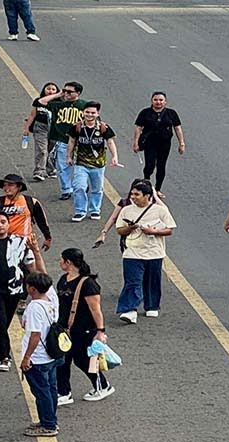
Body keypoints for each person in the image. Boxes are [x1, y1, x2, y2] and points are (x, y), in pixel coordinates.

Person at [0, 209, 45, 371]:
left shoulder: (20, 242)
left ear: (8, 224)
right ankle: (4, 357)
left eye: (3, 222)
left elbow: (30, 265)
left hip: (14, 290)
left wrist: (38, 286)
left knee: (4, 322)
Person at [54, 247, 112, 404]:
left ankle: (103, 386)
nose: (59, 262)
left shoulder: (87, 284)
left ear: (69, 262)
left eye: (62, 259)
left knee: (83, 360)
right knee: (63, 360)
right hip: (66, 329)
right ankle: (64, 392)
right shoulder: (63, 279)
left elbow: (96, 309)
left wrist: (100, 331)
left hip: (84, 329)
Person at [112, 179, 174, 325]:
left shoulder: (160, 211)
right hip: (132, 252)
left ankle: (151, 305)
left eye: (137, 194)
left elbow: (169, 229)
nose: (133, 197)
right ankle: (129, 309)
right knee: (132, 281)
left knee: (152, 280)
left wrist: (153, 231)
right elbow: (119, 229)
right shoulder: (126, 210)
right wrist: (130, 228)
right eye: (132, 194)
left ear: (147, 196)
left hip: (154, 252)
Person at [20, 271, 60, 437]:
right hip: (51, 355)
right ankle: (49, 419)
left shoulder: (34, 307)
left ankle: (48, 425)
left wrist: (27, 357)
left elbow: (35, 335)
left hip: (38, 358)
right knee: (51, 389)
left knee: (41, 392)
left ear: (32, 289)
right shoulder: (51, 301)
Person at [66, 101, 118, 222]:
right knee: (79, 187)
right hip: (81, 163)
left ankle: (94, 210)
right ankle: (80, 211)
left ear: (97, 113)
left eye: (93, 112)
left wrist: (114, 156)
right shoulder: (77, 127)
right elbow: (71, 141)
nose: (90, 115)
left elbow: (110, 142)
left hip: (98, 165)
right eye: (87, 112)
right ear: (83, 112)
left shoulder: (103, 127)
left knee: (97, 188)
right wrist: (68, 156)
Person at [132, 91, 183, 194]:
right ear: (152, 101)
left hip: (164, 144)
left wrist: (181, 143)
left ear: (165, 102)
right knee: (149, 165)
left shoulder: (171, 113)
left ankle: (158, 189)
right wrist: (135, 143)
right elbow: (138, 128)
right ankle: (147, 184)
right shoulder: (145, 113)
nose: (158, 102)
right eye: (155, 100)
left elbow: (177, 128)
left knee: (161, 166)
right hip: (150, 143)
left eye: (161, 100)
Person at [0, 172, 52, 251]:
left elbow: (41, 221)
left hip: (25, 244)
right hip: (4, 243)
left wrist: (48, 238)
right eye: (4, 185)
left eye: (10, 185)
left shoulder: (31, 202)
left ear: (19, 187)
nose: (6, 188)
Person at [22, 82, 59, 181]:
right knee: (41, 150)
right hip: (40, 128)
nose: (50, 91)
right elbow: (32, 115)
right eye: (48, 88)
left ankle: (50, 168)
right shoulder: (38, 101)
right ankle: (39, 172)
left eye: (53, 89)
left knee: (49, 150)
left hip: (54, 129)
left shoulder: (59, 103)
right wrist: (26, 128)